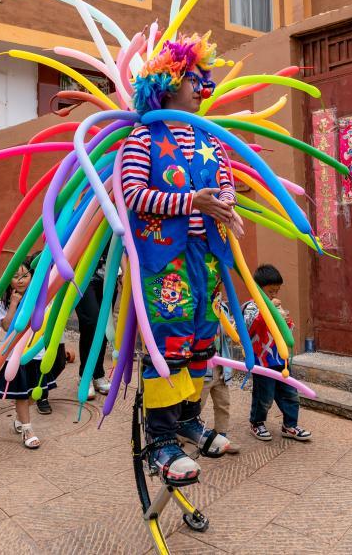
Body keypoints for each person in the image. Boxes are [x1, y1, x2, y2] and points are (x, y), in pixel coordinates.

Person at [120, 33, 245, 483]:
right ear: (168, 82)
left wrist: (225, 207)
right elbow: (132, 194)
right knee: (167, 345)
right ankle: (161, 440)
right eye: (195, 80)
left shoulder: (210, 138)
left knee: (201, 343)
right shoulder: (142, 137)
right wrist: (193, 202)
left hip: (207, 256)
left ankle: (190, 420)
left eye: (204, 82)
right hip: (163, 259)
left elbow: (227, 183)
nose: (202, 89)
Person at [0, 262, 73, 448]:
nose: (20, 281)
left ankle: (20, 418)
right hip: (16, 356)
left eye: (24, 276)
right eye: (15, 276)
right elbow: (6, 326)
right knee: (21, 394)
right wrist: (13, 303)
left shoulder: (42, 297)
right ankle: (27, 429)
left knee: (37, 393)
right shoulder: (4, 302)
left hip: (38, 352)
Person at [244, 264, 311, 442]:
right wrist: (266, 310)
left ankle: (289, 425)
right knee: (263, 396)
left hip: (281, 359)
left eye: (277, 291)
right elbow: (248, 328)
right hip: (262, 362)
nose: (274, 295)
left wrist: (286, 321)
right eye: (271, 291)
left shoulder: (276, 306)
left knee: (290, 393)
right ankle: (256, 423)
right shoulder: (251, 306)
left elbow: (286, 331)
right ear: (258, 288)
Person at [199, 299, 239, 454]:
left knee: (223, 404)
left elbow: (228, 335)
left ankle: (221, 438)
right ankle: (184, 440)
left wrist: (232, 330)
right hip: (202, 370)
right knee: (196, 407)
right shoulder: (196, 304)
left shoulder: (222, 306)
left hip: (221, 369)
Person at [74, 251, 111, 400]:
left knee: (104, 327)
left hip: (107, 277)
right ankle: (85, 375)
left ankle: (98, 375)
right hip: (83, 277)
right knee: (91, 324)